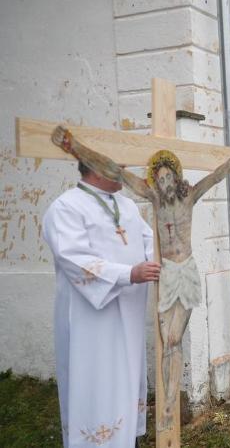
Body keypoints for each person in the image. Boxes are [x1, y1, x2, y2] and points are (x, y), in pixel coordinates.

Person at [52, 126, 230, 429]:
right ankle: (165, 410)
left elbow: (214, 179)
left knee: (170, 344)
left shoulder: (165, 199)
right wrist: (74, 147)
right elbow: (115, 173)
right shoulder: (76, 205)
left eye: (169, 176)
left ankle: (160, 412)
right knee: (168, 342)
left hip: (172, 280)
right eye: (161, 177)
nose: (165, 181)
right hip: (131, 291)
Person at [43, 158, 160, 447]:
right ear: (95, 169)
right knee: (96, 378)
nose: (124, 171)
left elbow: (150, 241)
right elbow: (72, 257)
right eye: (116, 167)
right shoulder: (66, 207)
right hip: (91, 315)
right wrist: (128, 274)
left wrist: (162, 259)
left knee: (126, 375)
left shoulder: (127, 206)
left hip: (128, 312)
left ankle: (125, 438)